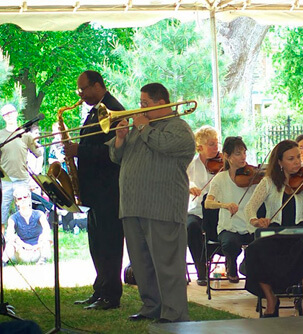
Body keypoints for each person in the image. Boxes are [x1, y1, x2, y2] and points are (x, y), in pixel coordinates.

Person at [108, 83, 195, 323]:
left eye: (144, 104)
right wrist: (120, 138)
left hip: (162, 207)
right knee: (141, 263)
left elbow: (164, 146)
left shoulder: (179, 128)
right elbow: (116, 158)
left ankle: (174, 312)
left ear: (161, 103)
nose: (140, 108)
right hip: (133, 205)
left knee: (167, 264)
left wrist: (143, 127)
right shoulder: (140, 128)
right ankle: (151, 306)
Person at [244, 140, 303, 317]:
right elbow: (250, 208)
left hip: (302, 232)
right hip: (277, 233)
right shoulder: (268, 182)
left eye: (298, 157)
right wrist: (256, 220)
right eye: (291, 158)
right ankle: (271, 299)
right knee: (254, 250)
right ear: (280, 162)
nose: (297, 162)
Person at [65, 70, 124, 310]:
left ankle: (111, 294)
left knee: (109, 244)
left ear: (98, 85)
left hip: (108, 190)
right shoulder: (96, 109)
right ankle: (100, 290)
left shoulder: (113, 109)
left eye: (83, 89)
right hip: (95, 191)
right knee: (97, 244)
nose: (81, 94)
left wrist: (79, 151)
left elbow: (113, 154)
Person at [205, 136, 256, 283]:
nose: (243, 157)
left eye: (244, 153)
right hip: (228, 228)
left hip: (250, 226)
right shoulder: (220, 178)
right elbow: (208, 203)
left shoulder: (252, 176)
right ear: (226, 156)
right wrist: (225, 205)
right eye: (238, 153)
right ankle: (231, 265)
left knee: (261, 243)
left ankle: (246, 266)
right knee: (230, 243)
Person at [0, 104, 43, 228]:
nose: (9, 116)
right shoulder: (1, 135)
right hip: (5, 181)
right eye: (5, 114)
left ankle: (25, 239)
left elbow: (38, 153)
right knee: (2, 213)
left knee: (25, 213)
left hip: (22, 179)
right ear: (3, 117)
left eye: (11, 112)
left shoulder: (25, 135)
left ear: (16, 113)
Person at [187, 125, 219, 286]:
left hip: (217, 209)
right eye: (211, 144)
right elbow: (184, 179)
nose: (216, 148)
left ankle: (217, 257)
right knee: (191, 226)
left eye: (216, 143)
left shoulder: (223, 163)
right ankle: (201, 269)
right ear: (200, 147)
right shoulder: (191, 163)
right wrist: (190, 186)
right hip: (197, 210)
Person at [2, 186, 51, 265]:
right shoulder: (13, 218)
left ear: (29, 198)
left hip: (39, 250)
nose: (23, 200)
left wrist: (38, 244)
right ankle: (3, 262)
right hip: (21, 251)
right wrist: (23, 245)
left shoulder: (39, 214)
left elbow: (47, 229)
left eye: (25, 197)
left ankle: (42, 261)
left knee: (47, 238)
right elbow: (10, 234)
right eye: (20, 198)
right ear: (16, 202)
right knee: (10, 242)